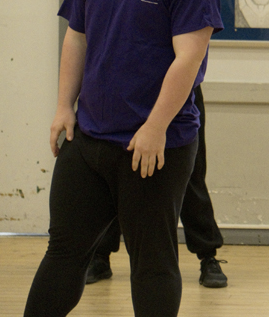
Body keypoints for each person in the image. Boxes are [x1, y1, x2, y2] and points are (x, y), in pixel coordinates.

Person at [24, 0, 223, 317]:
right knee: (64, 252)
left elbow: (188, 59)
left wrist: (154, 127)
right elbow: (77, 36)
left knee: (152, 264)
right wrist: (63, 107)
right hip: (89, 139)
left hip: (153, 146)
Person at [85, 83, 228, 289]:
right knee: (113, 167)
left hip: (179, 92)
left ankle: (208, 256)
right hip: (123, 91)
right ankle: (100, 254)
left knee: (191, 177)